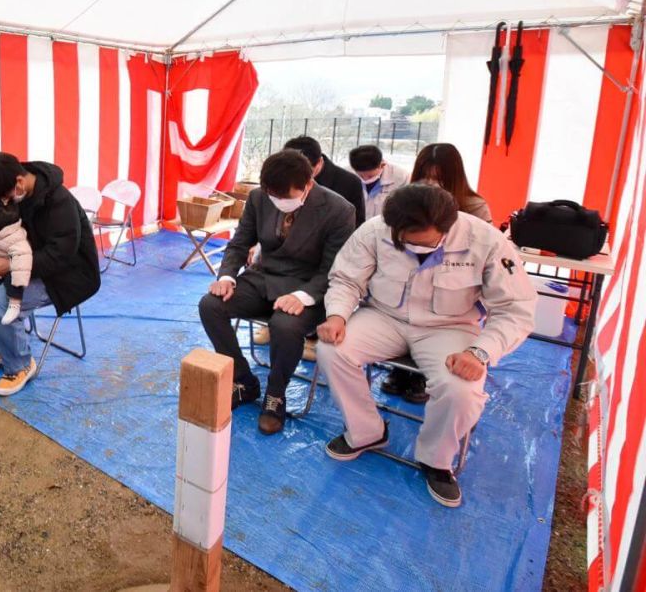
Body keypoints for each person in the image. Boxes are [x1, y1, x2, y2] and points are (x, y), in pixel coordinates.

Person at [315, 184, 535, 507]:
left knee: (462, 387)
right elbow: (347, 279)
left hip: (449, 328)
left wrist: (480, 352)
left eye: (424, 244)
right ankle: (366, 432)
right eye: (405, 242)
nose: (413, 249)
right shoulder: (375, 230)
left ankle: (436, 459)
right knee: (331, 349)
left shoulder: (486, 240)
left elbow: (516, 308)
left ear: (448, 228)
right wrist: (337, 315)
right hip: (385, 317)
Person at [198, 149, 355, 434]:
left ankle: (276, 394)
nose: (280, 202)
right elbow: (239, 242)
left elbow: (333, 269)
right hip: (264, 278)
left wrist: (303, 297)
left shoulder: (338, 210)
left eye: (287, 197)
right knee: (211, 305)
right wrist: (227, 277)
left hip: (308, 288)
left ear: (308, 183)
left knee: (285, 325)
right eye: (275, 196)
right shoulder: (259, 197)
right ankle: (244, 380)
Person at [0, 152, 100, 397]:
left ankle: (21, 365)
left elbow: (60, 255)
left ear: (19, 183)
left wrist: (10, 265)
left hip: (66, 275)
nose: (3, 203)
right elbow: (6, 236)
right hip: (25, 264)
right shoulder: (15, 193)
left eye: (4, 197)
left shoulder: (59, 201)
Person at [383, 143, 493, 402]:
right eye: (425, 176)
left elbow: (488, 257)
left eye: (438, 178)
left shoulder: (474, 206)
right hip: (406, 286)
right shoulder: (405, 201)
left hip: (451, 294)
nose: (431, 183)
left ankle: (423, 374)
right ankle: (400, 370)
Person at [285, 136, 367, 227]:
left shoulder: (349, 182)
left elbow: (356, 223)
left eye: (305, 172)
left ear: (320, 162)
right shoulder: (280, 176)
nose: (298, 177)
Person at [412, 142, 492, 223]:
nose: (429, 184)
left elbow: (488, 235)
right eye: (423, 177)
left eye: (438, 179)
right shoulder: (408, 205)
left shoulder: (475, 207)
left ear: (453, 179)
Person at [348, 144, 409, 220]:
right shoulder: (347, 175)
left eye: (370, 176)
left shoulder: (401, 177)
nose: (365, 179)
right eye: (361, 176)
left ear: (382, 165)